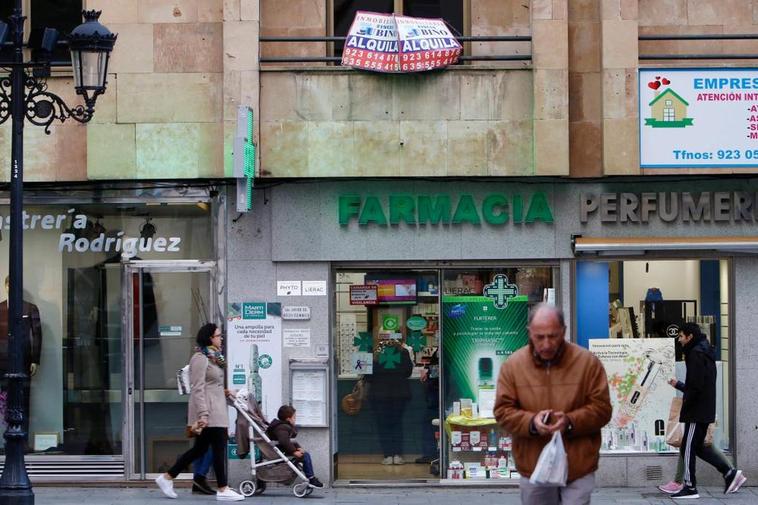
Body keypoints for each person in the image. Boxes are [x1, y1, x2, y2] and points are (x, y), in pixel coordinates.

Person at [494, 304, 612, 505]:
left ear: (564, 331)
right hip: (533, 464)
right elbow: (503, 411)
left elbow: (602, 409)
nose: (546, 344)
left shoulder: (587, 363)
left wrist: (569, 422)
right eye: (540, 337)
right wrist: (532, 422)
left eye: (553, 336)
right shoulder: (513, 366)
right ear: (529, 333)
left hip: (578, 463)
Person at [154, 323, 244, 501]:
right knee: (218, 447)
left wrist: (227, 392)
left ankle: (167, 477)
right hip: (210, 412)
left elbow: (212, 385)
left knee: (200, 449)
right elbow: (198, 388)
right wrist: (203, 414)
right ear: (210, 338)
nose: (221, 338)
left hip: (216, 408)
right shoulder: (200, 358)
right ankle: (223, 488)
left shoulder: (214, 357)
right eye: (218, 335)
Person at [665, 322, 746, 499]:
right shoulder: (704, 351)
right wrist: (678, 384)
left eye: (681, 336)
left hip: (696, 410)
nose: (679, 340)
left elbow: (696, 386)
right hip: (704, 408)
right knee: (699, 447)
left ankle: (690, 487)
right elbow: (700, 383)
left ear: (689, 337)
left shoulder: (695, 354)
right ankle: (729, 473)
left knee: (687, 447)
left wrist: (687, 405)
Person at [365, 339, 413, 465]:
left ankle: (387, 455)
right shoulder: (404, 352)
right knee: (397, 424)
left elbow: (368, 376)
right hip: (399, 393)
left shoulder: (375, 352)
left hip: (379, 394)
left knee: (383, 425)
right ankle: (397, 455)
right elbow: (408, 372)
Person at [267, 405, 324, 488]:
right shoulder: (281, 428)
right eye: (294, 417)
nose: (295, 419)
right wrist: (294, 451)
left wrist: (298, 448)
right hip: (281, 452)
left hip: (283, 450)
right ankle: (311, 479)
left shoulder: (283, 426)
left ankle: (310, 478)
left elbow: (289, 441)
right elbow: (284, 441)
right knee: (305, 456)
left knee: (304, 455)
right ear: (288, 419)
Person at [658, 443, 744, 495]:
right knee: (699, 444)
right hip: (700, 416)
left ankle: (678, 482)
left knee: (688, 445)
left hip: (696, 416)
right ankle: (733, 474)